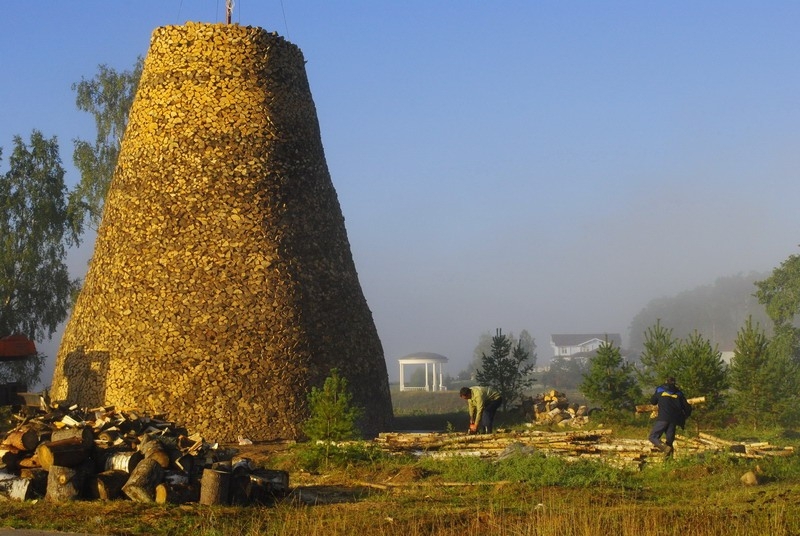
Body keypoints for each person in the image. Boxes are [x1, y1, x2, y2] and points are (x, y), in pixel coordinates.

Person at [648, 377, 692, 456]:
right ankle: (669, 461)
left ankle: (664, 447)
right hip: (673, 420)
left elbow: (653, 401)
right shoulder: (679, 393)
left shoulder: (660, 390)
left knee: (653, 437)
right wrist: (684, 417)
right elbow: (687, 408)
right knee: (669, 441)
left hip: (663, 418)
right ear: (674, 383)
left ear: (666, 382)